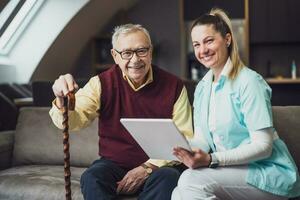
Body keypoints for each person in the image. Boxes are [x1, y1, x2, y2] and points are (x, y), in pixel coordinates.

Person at [49, 24, 193, 200]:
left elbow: (184, 139)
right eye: (126, 53)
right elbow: (73, 122)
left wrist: (147, 168)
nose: (135, 60)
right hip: (114, 164)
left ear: (150, 52)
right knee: (92, 178)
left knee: (169, 178)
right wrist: (61, 99)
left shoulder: (174, 86)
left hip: (159, 167)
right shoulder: (100, 84)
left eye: (141, 51)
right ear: (115, 56)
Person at [171, 8, 300, 200]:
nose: (202, 50)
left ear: (228, 39)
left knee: (191, 182)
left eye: (209, 41)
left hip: (267, 173)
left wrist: (212, 159)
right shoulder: (202, 88)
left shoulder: (248, 82)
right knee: (178, 192)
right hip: (231, 170)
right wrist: (183, 148)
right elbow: (202, 140)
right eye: (196, 44)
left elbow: (264, 146)